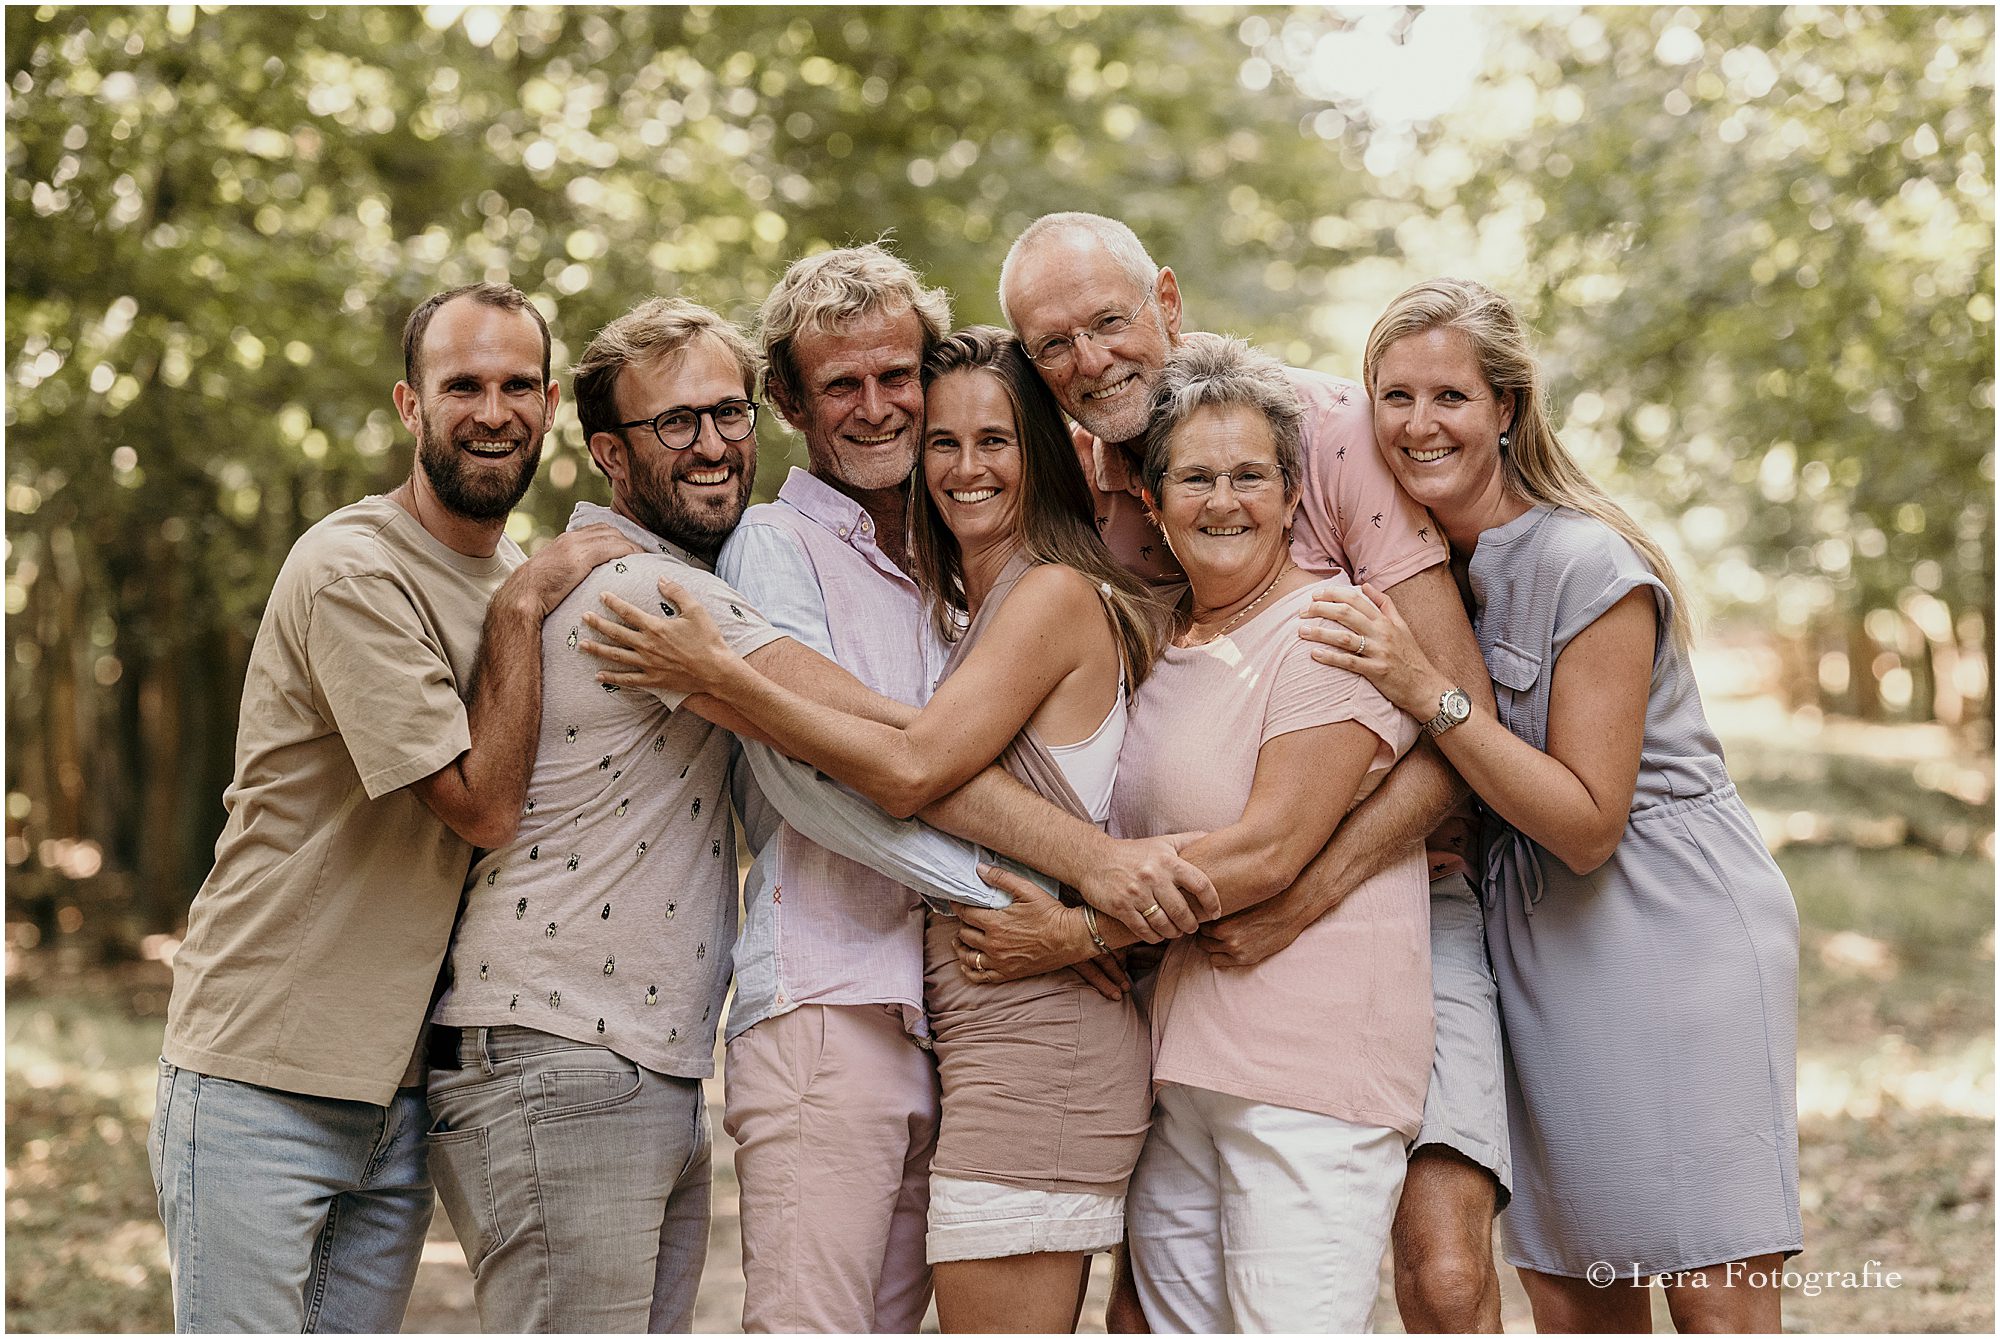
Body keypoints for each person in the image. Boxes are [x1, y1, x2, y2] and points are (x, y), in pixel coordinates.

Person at [579, 245, 1215, 1334]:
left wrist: (1077, 921)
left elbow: (948, 764)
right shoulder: (777, 546)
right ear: (785, 398)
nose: (877, 409)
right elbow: (806, 775)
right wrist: (1012, 893)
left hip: (948, 1018)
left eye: (896, 377)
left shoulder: (950, 571)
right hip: (833, 1002)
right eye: (840, 384)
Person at [1000, 212, 1509, 1330]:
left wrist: (1282, 893)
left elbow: (1449, 731)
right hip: (1194, 1026)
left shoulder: (1328, 465)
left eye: (1106, 321)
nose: (1086, 359)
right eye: (1051, 343)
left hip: (1355, 971)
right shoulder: (1100, 509)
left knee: (1435, 1274)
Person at [1301, 277, 1802, 1332]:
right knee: (1573, 1295)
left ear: (1505, 409)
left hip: (1664, 931)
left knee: (1712, 1294)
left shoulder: (1588, 564)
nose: (1418, 424)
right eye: (1392, 397)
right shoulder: (1432, 567)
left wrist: (1422, 690)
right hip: (1530, 947)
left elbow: (1583, 824)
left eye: (1448, 396)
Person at [149, 282, 634, 1333]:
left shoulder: (516, 573)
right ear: (412, 408)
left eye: (515, 386)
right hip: (261, 1076)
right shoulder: (353, 571)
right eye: (462, 385)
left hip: (400, 1097)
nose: (492, 411)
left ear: (550, 404)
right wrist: (520, 610)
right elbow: (479, 808)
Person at [421, 297, 790, 1331]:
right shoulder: (643, 594)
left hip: (627, 1059)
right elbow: (895, 744)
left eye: (729, 412)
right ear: (609, 457)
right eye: (675, 422)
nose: (712, 443)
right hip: (562, 1054)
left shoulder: (645, 577)